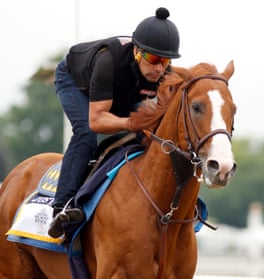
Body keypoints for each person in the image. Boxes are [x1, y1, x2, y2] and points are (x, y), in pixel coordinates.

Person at [48, 7, 181, 238]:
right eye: (153, 59)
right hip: (75, 81)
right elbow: (97, 120)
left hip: (120, 92)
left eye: (166, 60)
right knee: (85, 135)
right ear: (137, 52)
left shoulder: (164, 75)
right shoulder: (108, 61)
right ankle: (62, 207)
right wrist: (131, 123)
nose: (159, 68)